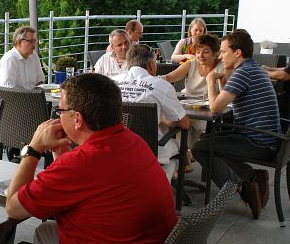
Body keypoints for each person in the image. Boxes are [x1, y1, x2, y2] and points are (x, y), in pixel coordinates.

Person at [0, 74, 177, 244]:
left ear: (77, 119)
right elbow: (81, 185)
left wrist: (33, 149)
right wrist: (60, 153)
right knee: (46, 232)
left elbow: (13, 208)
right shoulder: (133, 141)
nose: (58, 117)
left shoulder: (82, 163)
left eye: (60, 111)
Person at [192, 29, 280, 220]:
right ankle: (252, 176)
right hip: (266, 138)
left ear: (237, 53)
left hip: (258, 142)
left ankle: (243, 188)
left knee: (199, 147)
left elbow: (215, 107)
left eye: (224, 51)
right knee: (207, 140)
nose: (220, 56)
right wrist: (222, 83)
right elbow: (228, 102)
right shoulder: (253, 69)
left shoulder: (243, 73)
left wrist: (210, 80)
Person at [112, 44, 191, 181]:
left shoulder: (112, 83)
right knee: (177, 153)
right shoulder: (162, 86)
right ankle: (159, 185)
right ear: (151, 65)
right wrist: (168, 121)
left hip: (117, 145)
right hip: (151, 147)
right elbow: (185, 123)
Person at [163, 34, 226, 172]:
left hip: (208, 111)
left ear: (215, 53)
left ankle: (182, 157)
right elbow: (168, 77)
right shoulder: (191, 64)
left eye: (206, 51)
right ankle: (183, 156)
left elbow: (224, 94)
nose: (200, 55)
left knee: (183, 123)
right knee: (173, 119)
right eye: (197, 51)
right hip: (187, 105)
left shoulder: (222, 67)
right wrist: (153, 81)